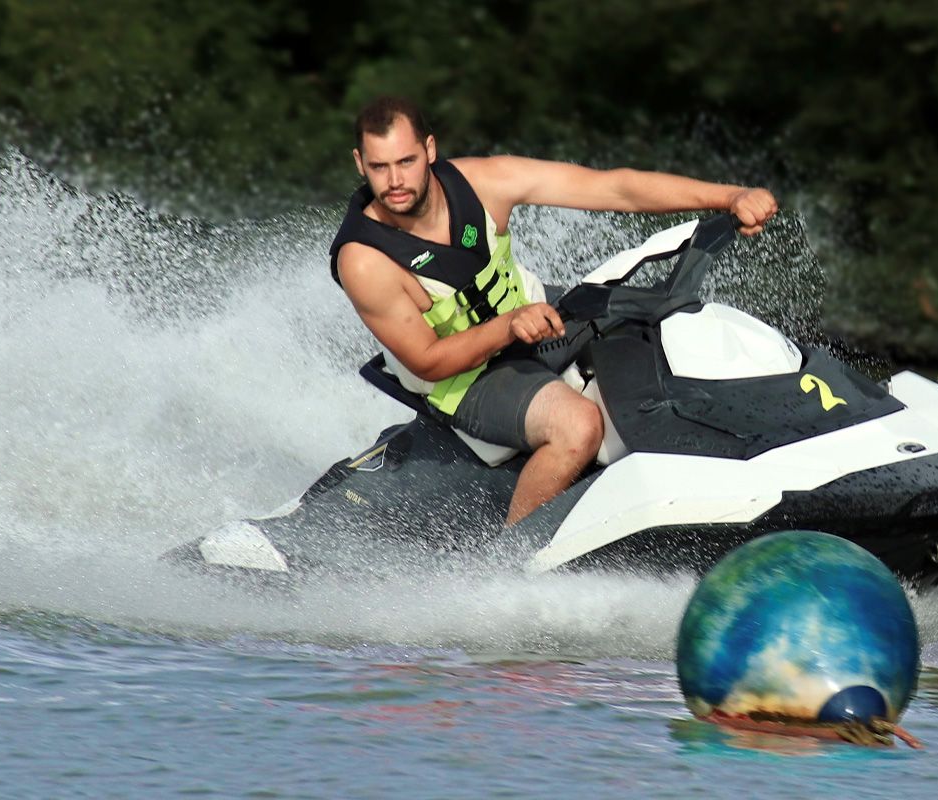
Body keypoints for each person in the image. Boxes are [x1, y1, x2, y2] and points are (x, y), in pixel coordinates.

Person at [330, 96, 778, 525]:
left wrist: (731, 197)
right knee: (578, 428)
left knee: (663, 320)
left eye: (405, 162)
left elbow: (615, 189)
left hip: (539, 316)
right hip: (466, 379)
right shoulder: (365, 260)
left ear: (429, 150)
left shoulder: (484, 182)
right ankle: (514, 566)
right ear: (359, 163)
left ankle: (735, 459)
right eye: (379, 167)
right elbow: (429, 360)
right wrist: (508, 326)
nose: (395, 182)